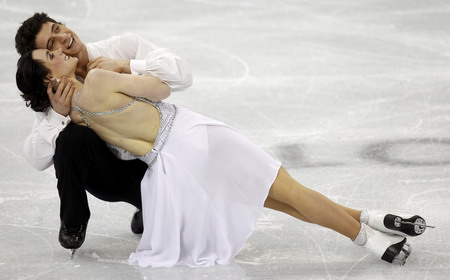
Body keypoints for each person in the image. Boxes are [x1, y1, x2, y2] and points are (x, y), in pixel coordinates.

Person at [16, 47, 430, 267]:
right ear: (52, 78)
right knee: (292, 191)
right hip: (193, 137)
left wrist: (65, 111)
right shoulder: (103, 77)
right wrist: (127, 68)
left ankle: (373, 219)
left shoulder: (76, 117)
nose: (59, 52)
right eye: (49, 57)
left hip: (174, 169)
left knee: (276, 199)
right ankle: (374, 243)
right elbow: (162, 90)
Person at [14, 13, 193, 251]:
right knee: (70, 139)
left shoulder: (120, 47)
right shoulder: (53, 97)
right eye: (50, 47)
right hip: (113, 175)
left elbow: (182, 77)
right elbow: (36, 159)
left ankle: (150, 207)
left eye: (58, 28)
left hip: (158, 160)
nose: (63, 39)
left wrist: (126, 65)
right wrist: (57, 115)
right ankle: (73, 222)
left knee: (194, 218)